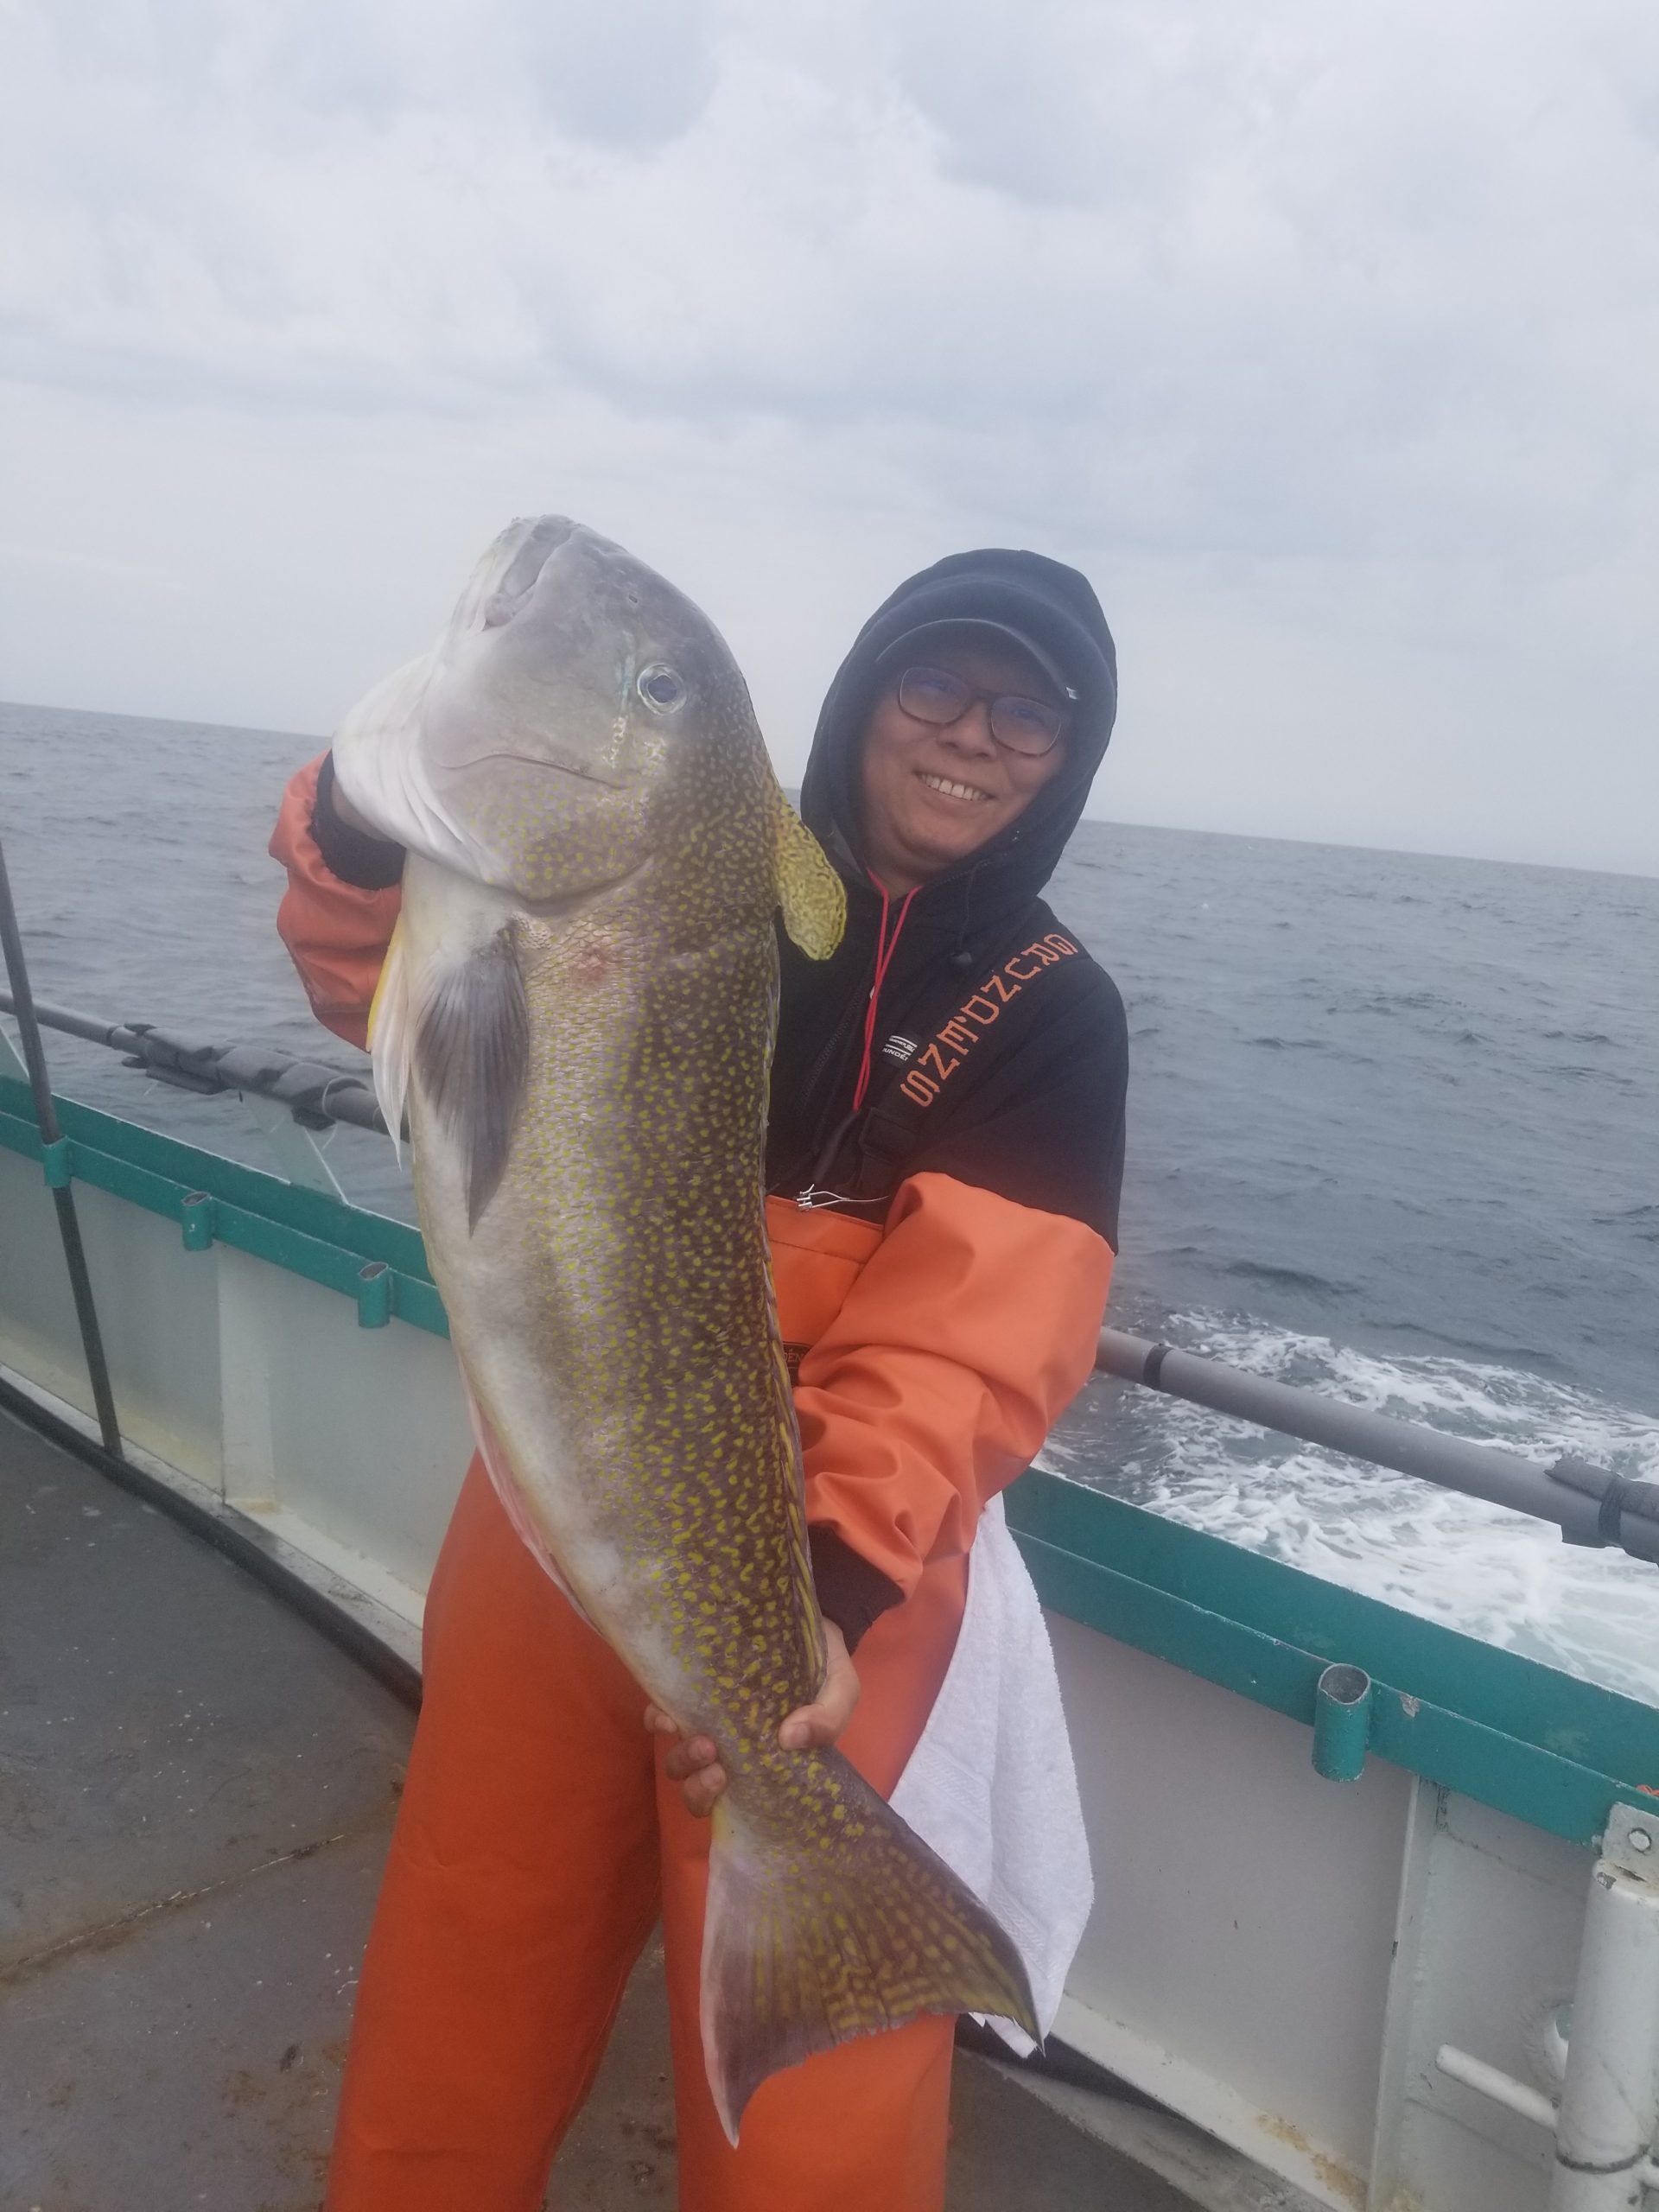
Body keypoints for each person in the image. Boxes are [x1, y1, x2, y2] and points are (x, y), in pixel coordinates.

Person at [269, 544, 1128, 2212]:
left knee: (815, 2129)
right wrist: (373, 827)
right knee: (470, 1949)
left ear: (1069, 756)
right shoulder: (682, 868)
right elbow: (374, 986)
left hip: (825, 1580)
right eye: (935, 683)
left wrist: (824, 1583)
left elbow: (978, 1331)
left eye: (1031, 711)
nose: (974, 733)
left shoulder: (1055, 1013)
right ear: (867, 696)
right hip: (553, 1501)